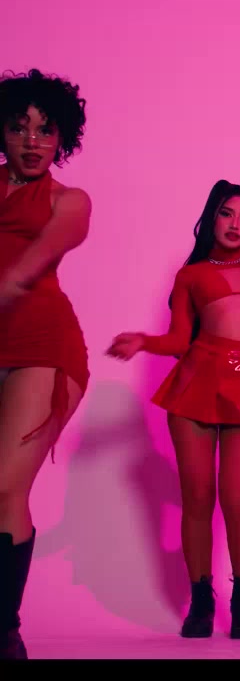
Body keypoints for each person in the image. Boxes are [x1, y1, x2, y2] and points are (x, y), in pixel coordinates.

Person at [107, 180, 240, 641]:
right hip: (196, 384)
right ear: (211, 217)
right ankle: (200, 600)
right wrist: (144, 341)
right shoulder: (191, 275)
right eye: (227, 214)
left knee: (237, 497)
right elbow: (180, 340)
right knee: (197, 497)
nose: (236, 224)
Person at [0, 68, 92, 661]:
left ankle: (4, 631)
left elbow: (51, 244)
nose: (32, 141)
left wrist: (12, 280)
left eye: (45, 130)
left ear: (62, 138)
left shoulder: (68, 200)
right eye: (18, 128)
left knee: (4, 486)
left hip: (42, 344)